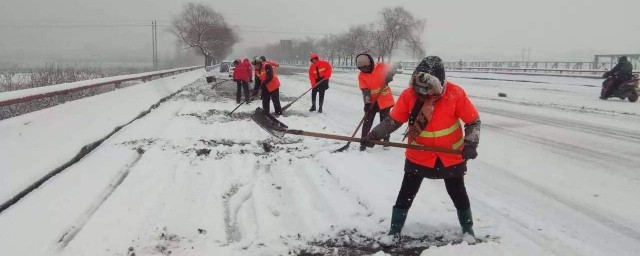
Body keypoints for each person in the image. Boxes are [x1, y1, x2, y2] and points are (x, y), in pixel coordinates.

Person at [362, 56, 481, 245]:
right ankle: (394, 230)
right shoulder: (409, 95)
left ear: (440, 84)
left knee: (457, 192)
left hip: (449, 156)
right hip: (419, 155)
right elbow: (394, 121)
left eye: (428, 91)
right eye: (420, 90)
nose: (424, 95)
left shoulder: (455, 94)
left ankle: (468, 229)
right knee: (406, 193)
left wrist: (470, 144)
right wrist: (375, 134)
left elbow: (473, 121)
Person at [356, 52, 396, 151]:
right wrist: (367, 103)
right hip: (372, 102)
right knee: (367, 121)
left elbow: (393, 67)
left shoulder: (380, 66)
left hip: (385, 100)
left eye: (366, 68)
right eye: (362, 69)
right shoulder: (361, 76)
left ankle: (386, 141)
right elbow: (365, 91)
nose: (365, 70)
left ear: (370, 64)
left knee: (385, 122)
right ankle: (363, 141)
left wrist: (390, 75)